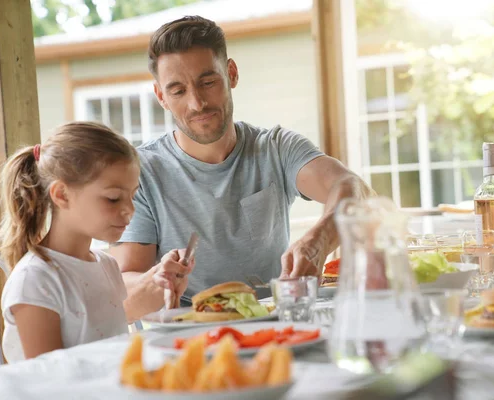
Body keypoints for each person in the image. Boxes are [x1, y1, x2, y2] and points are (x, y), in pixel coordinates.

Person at [110, 16, 375, 312]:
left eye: (207, 82)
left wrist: (320, 238)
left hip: (276, 326)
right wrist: (154, 281)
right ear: (161, 96)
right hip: (187, 339)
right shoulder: (141, 172)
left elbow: (355, 190)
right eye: (178, 91)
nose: (197, 103)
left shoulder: (277, 148)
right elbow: (123, 291)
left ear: (231, 74)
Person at [0, 122, 194, 363]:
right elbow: (48, 381)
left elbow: (116, 350)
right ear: (62, 195)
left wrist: (169, 300)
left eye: (132, 196)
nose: (129, 210)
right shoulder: (36, 280)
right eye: (113, 198)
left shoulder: (106, 265)